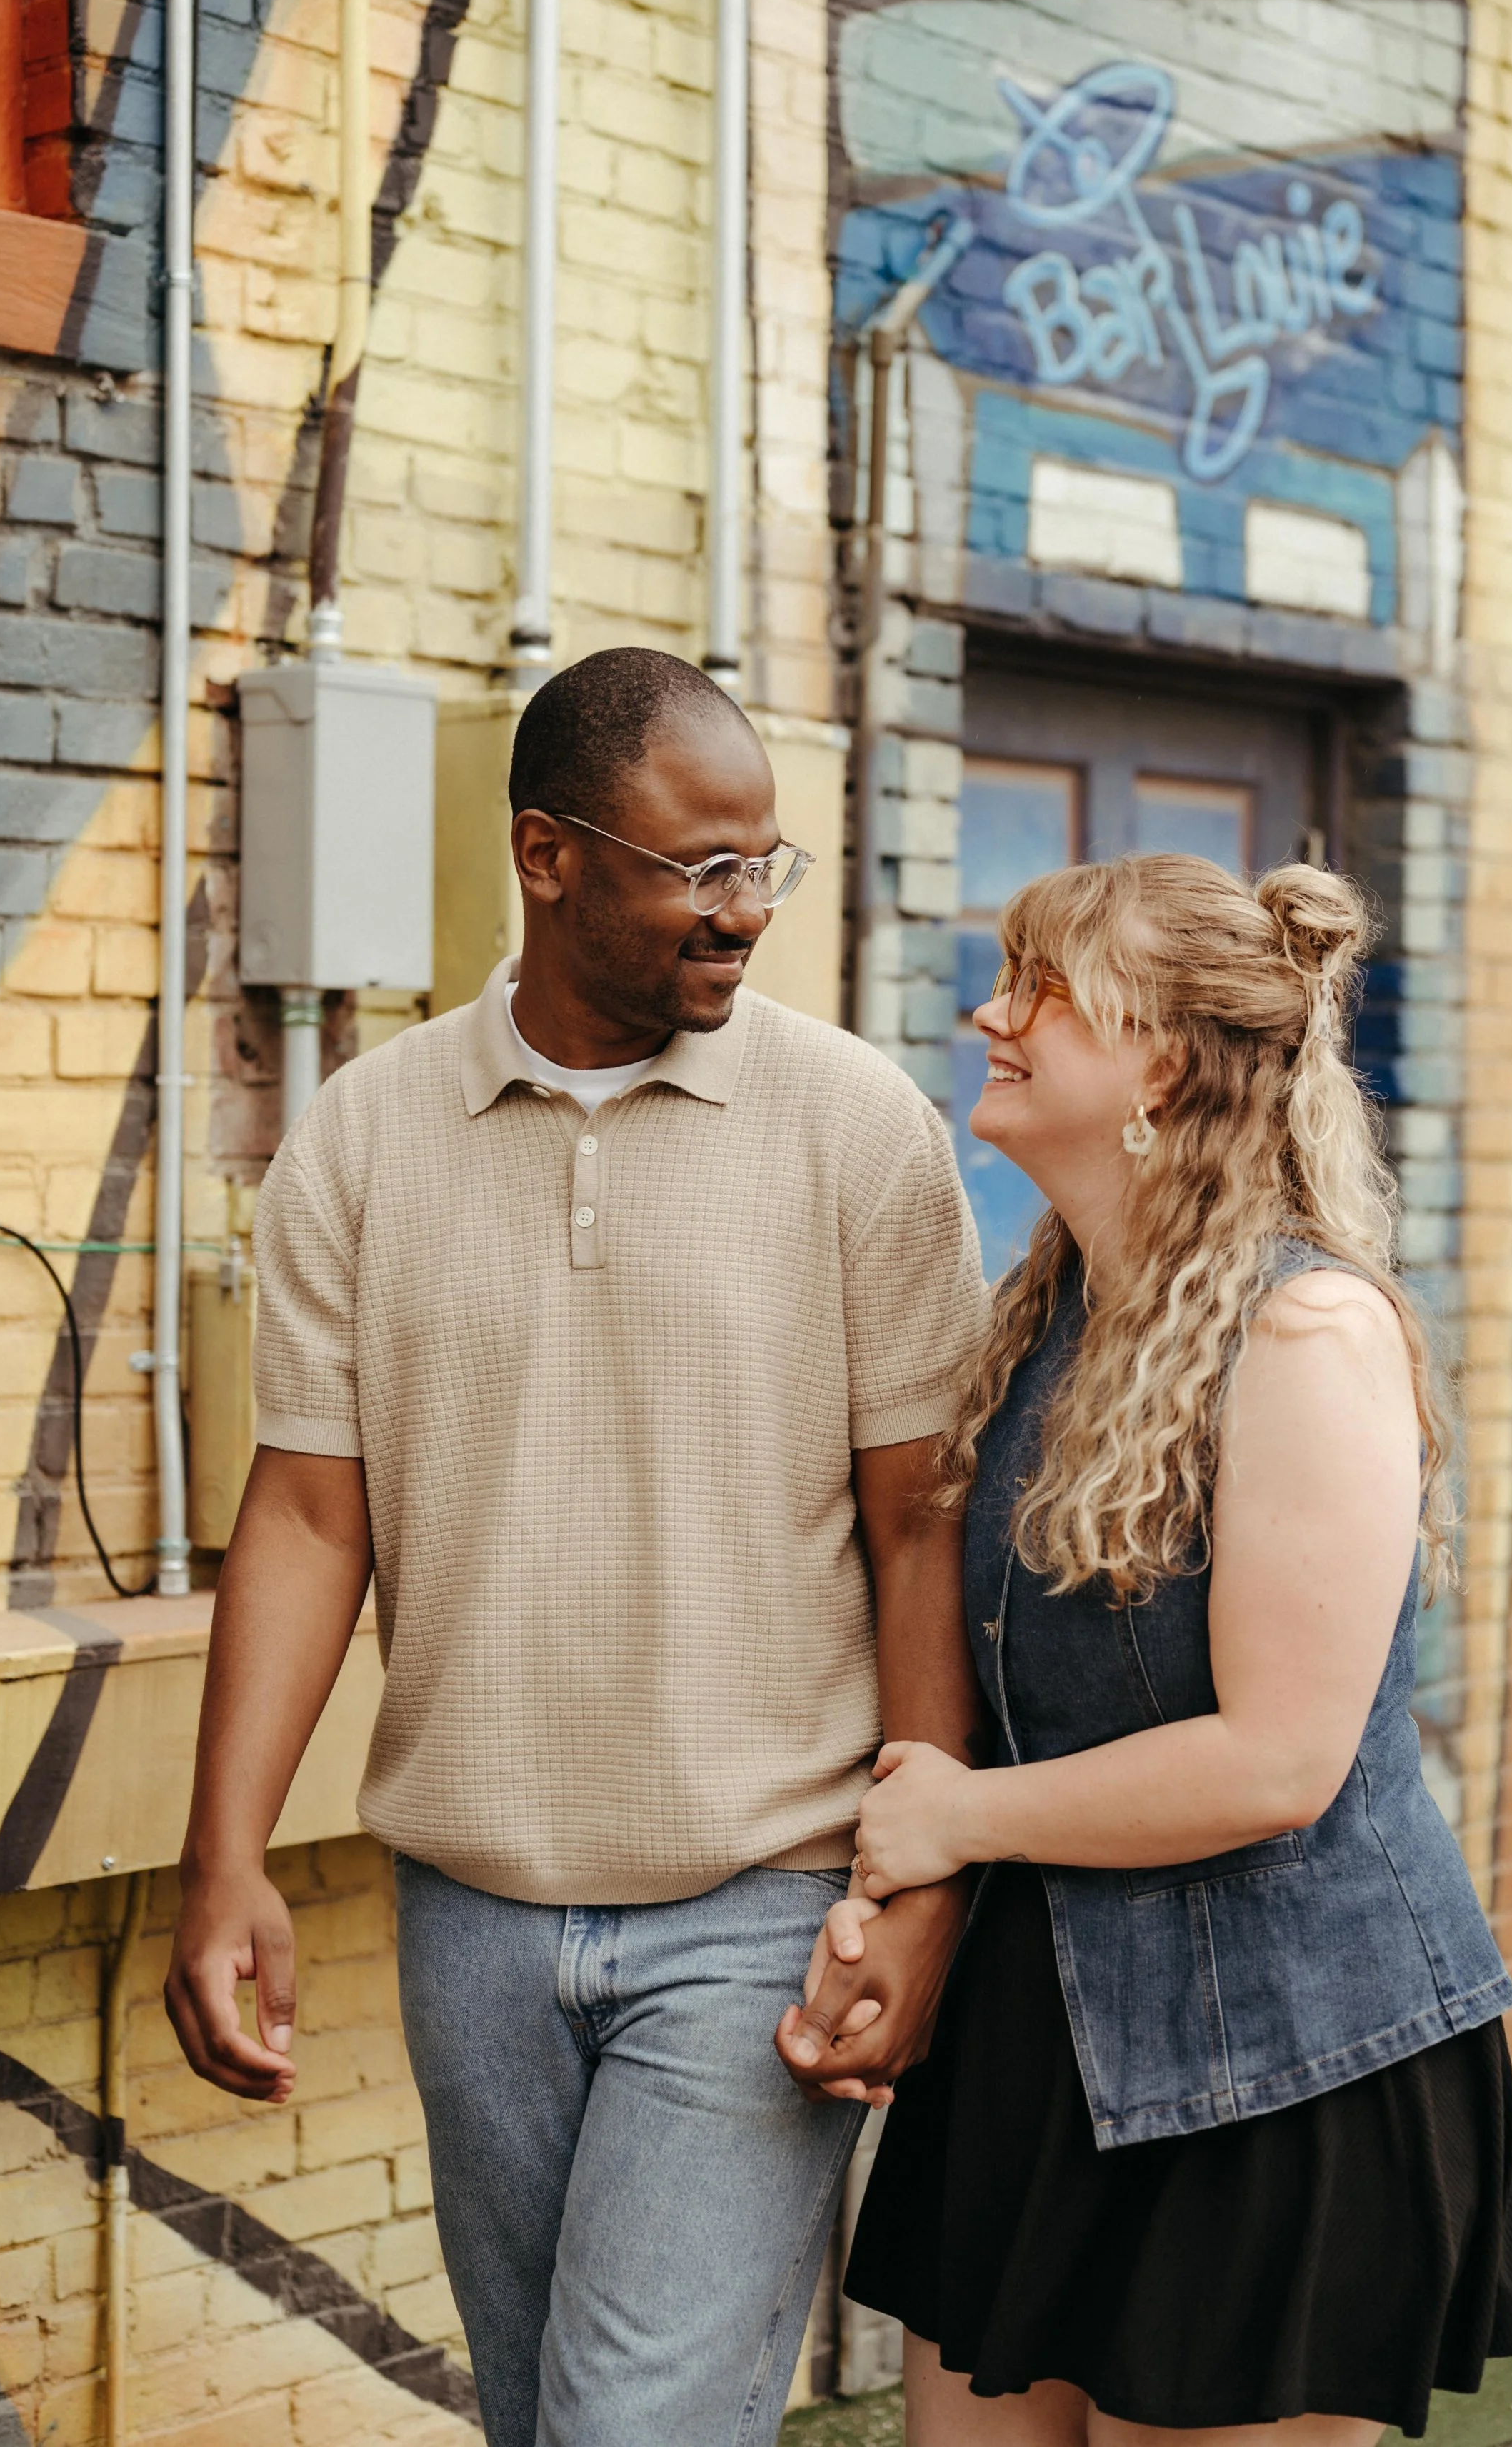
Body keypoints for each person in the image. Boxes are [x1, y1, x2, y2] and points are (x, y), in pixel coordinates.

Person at [164, 647, 988, 2447]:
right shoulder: (365, 1138)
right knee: (542, 2419)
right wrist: (221, 1857)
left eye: (764, 862)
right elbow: (309, 1516)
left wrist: (916, 1889)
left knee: (629, 2429)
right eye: (699, 868)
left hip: (758, 1898)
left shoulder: (856, 1130)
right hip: (471, 1913)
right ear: (548, 857)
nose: (744, 912)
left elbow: (921, 1528)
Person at [833, 853, 1512, 2446]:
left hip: (1284, 2059)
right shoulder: (1046, 1320)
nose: (985, 1014)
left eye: (1034, 989)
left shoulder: (1304, 1337)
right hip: (1048, 2035)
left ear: (1158, 1055)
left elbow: (1280, 1761)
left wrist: (954, 1818)